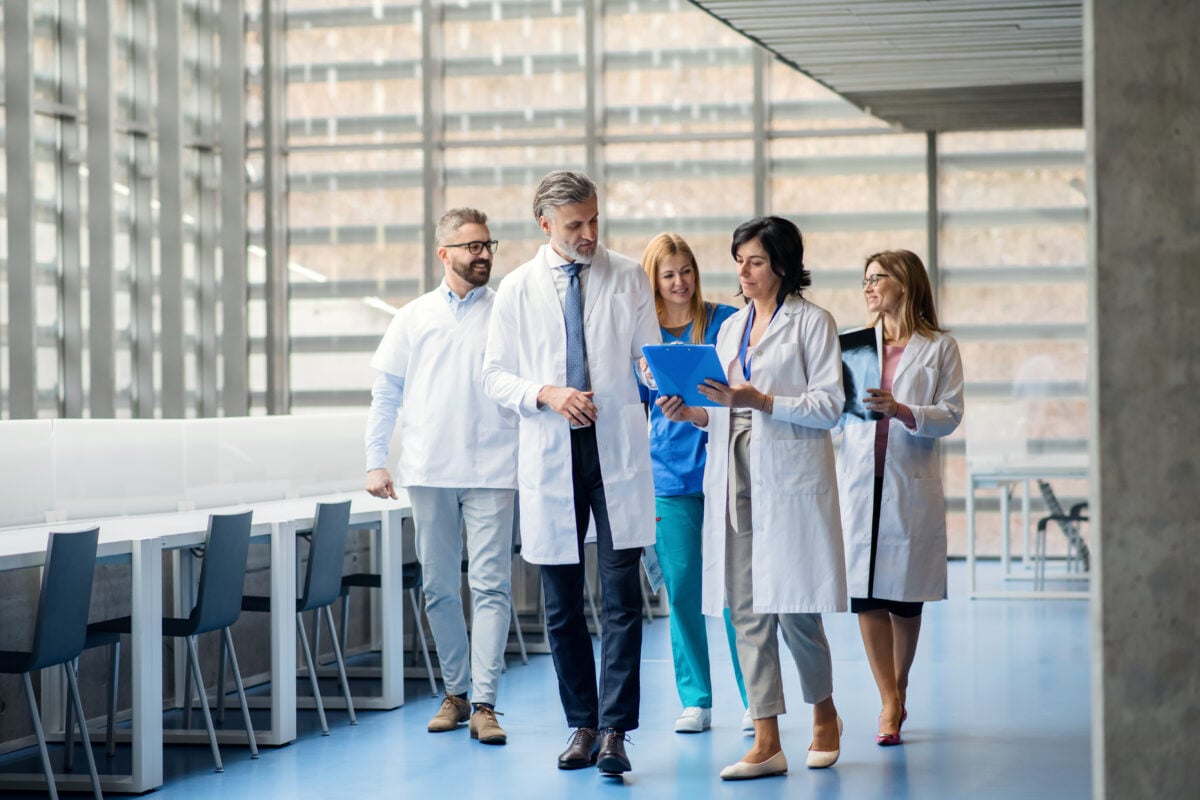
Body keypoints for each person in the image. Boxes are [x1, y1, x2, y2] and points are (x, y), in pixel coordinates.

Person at [482, 170, 660, 776]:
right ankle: (581, 723)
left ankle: (614, 731)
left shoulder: (628, 276)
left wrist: (667, 379)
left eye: (594, 220)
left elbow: (646, 358)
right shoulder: (516, 289)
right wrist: (547, 393)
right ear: (545, 225)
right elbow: (494, 375)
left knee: (621, 598)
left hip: (616, 452)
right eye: (575, 225)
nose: (589, 233)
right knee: (561, 604)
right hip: (552, 451)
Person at [657, 216, 846, 781]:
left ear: (782, 265)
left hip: (787, 472)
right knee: (744, 608)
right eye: (739, 261)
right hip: (733, 469)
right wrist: (690, 413)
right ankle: (766, 740)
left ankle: (825, 713)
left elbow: (829, 406)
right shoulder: (731, 327)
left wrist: (761, 400)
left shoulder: (813, 323)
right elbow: (719, 410)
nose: (744, 272)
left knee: (794, 608)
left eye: (756, 261)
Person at [365, 208, 518, 746]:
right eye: (472, 246)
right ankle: (455, 692)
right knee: (438, 587)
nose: (483, 254)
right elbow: (386, 394)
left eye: (488, 245)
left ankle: (485, 704)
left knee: (491, 586)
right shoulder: (413, 317)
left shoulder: (506, 313)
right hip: (428, 469)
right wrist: (375, 460)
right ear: (444, 253)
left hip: (494, 467)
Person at [835, 249, 964, 747]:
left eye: (878, 278)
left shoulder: (939, 347)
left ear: (905, 284)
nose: (868, 287)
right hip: (858, 480)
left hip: (908, 481)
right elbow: (838, 413)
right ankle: (889, 698)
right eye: (865, 279)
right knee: (865, 593)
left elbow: (951, 414)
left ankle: (900, 684)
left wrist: (903, 410)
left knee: (904, 599)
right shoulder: (852, 345)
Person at [637, 233, 750, 735]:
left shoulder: (725, 321)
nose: (680, 282)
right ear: (654, 281)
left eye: (686, 271)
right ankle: (696, 700)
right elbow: (635, 403)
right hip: (669, 476)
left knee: (735, 591)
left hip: (724, 468)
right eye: (668, 274)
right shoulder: (644, 335)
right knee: (682, 590)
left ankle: (755, 697)